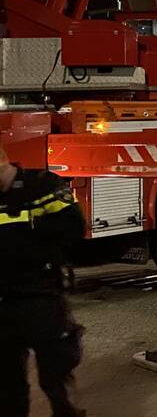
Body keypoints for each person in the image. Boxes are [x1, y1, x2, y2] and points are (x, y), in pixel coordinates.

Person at [0, 145, 86, 417]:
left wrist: (25, 232)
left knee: (56, 376)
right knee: (7, 386)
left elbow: (74, 225)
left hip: (41, 297)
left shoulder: (43, 185)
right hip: (3, 303)